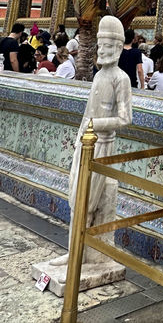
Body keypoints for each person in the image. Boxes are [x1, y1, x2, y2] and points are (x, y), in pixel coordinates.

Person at [43, 15, 132, 273]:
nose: (101, 50)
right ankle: (74, 252)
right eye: (100, 45)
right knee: (75, 199)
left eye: (107, 46)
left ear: (117, 48)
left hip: (103, 146)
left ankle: (81, 255)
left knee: (87, 204)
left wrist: (96, 126)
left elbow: (125, 118)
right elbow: (87, 111)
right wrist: (81, 133)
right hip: (86, 143)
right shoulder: (98, 76)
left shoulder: (121, 79)